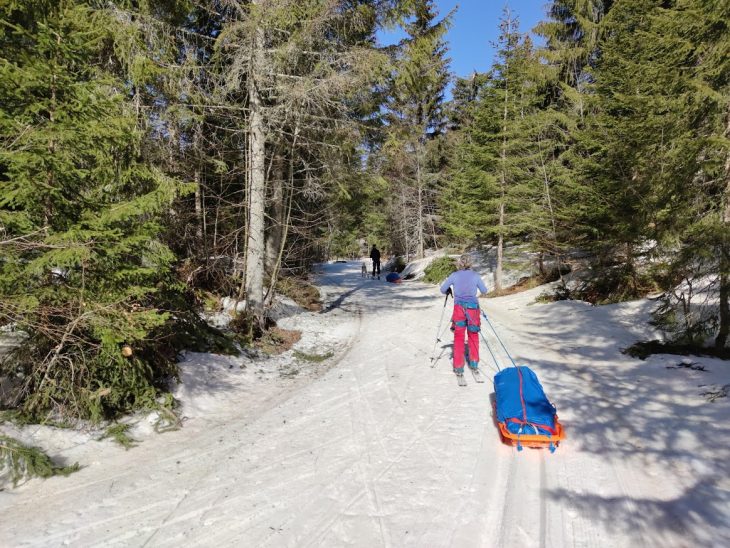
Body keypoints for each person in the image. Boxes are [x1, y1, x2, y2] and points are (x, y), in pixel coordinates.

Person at [439, 254, 488, 375]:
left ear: (459, 263)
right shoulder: (475, 276)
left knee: (459, 337)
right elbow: (484, 291)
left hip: (459, 309)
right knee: (473, 335)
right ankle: (474, 362)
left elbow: (442, 289)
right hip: (473, 309)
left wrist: (448, 290)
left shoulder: (454, 275)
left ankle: (458, 366)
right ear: (471, 263)